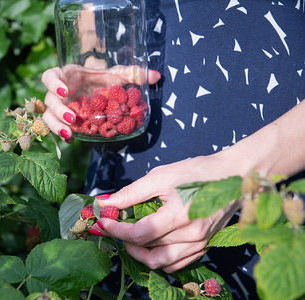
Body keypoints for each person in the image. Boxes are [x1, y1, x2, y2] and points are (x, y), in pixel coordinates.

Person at [42, 1, 305, 299]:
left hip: (272, 181)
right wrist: (92, 70)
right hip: (126, 175)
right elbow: (91, 12)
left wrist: (240, 173)